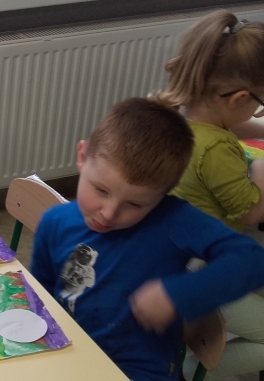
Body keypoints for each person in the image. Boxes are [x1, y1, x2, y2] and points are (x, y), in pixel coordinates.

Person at [30, 97, 264, 381]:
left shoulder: (173, 219)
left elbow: (251, 259)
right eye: (101, 190)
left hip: (139, 371)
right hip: (69, 357)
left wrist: (177, 294)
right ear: (82, 155)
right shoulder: (55, 222)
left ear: (163, 194)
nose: (109, 213)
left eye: (135, 204)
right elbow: (40, 300)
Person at [157, 10, 264, 380]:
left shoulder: (175, 113)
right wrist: (260, 170)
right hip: (205, 269)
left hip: (168, 256)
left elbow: (229, 124)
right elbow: (250, 212)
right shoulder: (217, 149)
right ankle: (192, 373)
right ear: (238, 98)